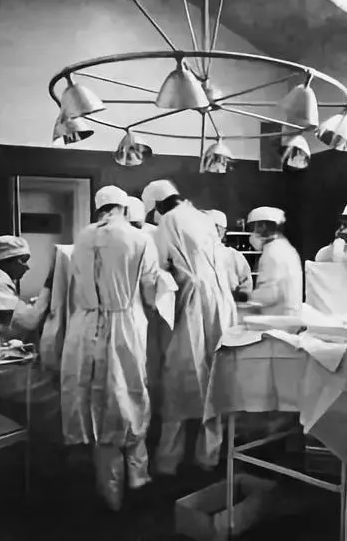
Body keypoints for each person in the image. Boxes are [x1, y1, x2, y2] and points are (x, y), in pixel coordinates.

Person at [60, 184, 160, 511]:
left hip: (85, 325)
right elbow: (150, 289)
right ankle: (137, 479)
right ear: (124, 208)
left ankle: (109, 488)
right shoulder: (139, 239)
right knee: (129, 394)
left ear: (98, 207)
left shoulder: (82, 238)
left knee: (95, 400)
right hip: (125, 324)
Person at [141, 179, 236, 476]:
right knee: (215, 382)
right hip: (220, 305)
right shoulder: (203, 218)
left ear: (157, 205)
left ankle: (168, 461)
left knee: (179, 381)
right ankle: (209, 457)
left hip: (193, 305)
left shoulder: (168, 221)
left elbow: (158, 269)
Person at [0, 235, 52, 341]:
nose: (27, 267)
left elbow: (15, 314)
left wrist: (32, 305)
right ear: (6, 259)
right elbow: (30, 321)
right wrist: (48, 285)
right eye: (23, 260)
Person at [242, 207, 303, 315]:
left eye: (253, 228)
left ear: (263, 226)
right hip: (287, 314)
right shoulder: (284, 247)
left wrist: (245, 296)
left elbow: (270, 294)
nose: (252, 233)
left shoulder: (273, 252)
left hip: (278, 318)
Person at [206, 209, 253, 298]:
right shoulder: (197, 254)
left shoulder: (234, 256)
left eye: (217, 227)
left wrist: (235, 298)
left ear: (223, 231)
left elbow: (246, 288)